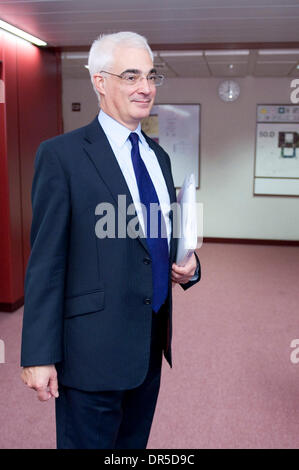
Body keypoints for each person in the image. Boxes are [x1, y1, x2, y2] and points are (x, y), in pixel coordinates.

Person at [20, 31, 201, 449]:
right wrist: (37, 354)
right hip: (90, 352)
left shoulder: (158, 156)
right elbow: (46, 262)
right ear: (100, 82)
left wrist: (189, 266)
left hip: (148, 346)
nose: (146, 87)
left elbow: (159, 236)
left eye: (151, 75)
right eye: (131, 75)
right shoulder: (61, 155)